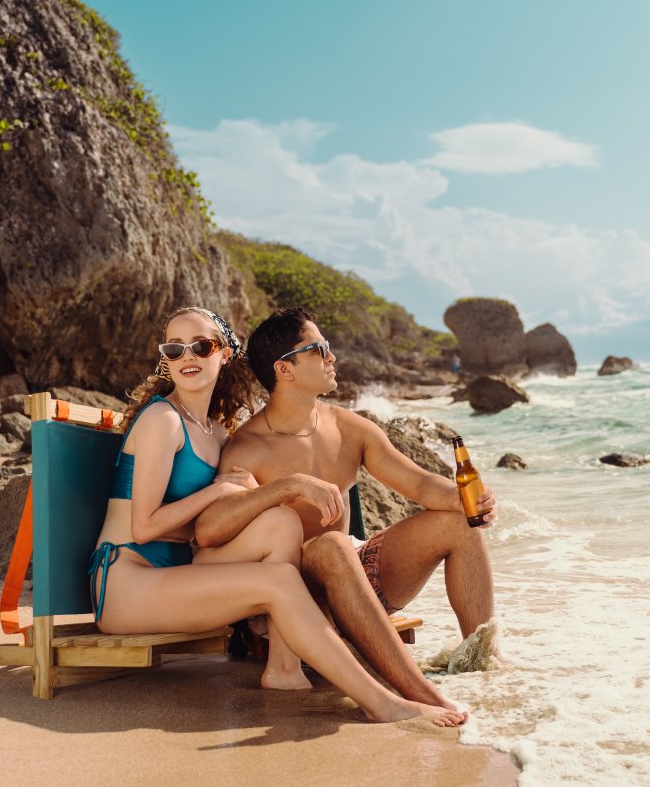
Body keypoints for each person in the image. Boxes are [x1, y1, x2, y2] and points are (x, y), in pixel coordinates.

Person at [88, 305, 465, 725]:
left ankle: (285, 668)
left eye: (201, 346)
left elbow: (221, 521)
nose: (188, 357)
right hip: (128, 584)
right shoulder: (163, 419)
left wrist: (264, 494)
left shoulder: (215, 430)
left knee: (281, 519)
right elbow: (144, 527)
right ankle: (380, 701)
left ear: (224, 354)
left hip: (176, 575)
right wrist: (220, 490)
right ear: (165, 359)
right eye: (175, 349)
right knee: (280, 579)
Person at [194, 307, 497, 708]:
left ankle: (484, 672)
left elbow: (421, 484)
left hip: (357, 582)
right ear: (285, 369)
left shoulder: (348, 428)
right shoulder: (250, 448)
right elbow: (209, 530)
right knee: (329, 547)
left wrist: (463, 500)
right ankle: (419, 695)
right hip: (296, 601)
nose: (332, 357)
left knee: (460, 524)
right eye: (319, 349)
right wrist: (285, 489)